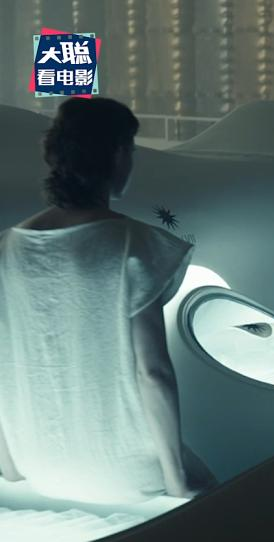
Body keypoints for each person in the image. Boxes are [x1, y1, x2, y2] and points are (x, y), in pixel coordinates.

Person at [0, 97, 214, 502]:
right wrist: (177, 480)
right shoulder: (135, 245)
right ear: (117, 154)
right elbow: (153, 373)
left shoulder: (7, 249)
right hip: (121, 469)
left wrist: (9, 463)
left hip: (38, 465)